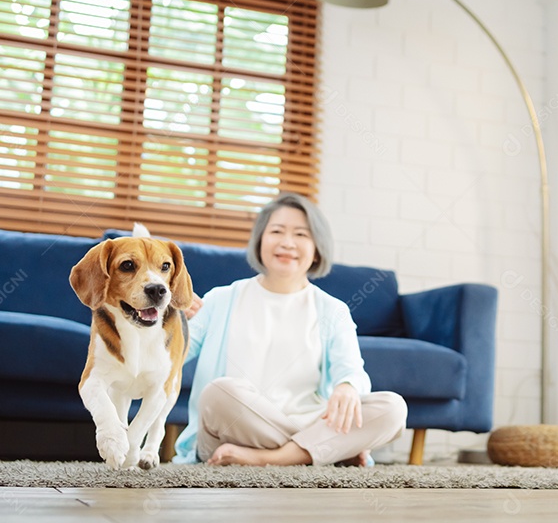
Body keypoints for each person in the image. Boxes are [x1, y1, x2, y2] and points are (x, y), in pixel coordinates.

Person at [172, 193, 407, 466]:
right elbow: (171, 358)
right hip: (234, 429)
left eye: (301, 234)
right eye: (276, 231)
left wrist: (347, 386)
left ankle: (270, 458)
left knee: (393, 409)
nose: (287, 243)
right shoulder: (219, 299)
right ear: (260, 240)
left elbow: (352, 369)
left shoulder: (333, 310)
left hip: (309, 419)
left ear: (317, 248)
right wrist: (169, 322)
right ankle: (323, 452)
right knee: (218, 393)